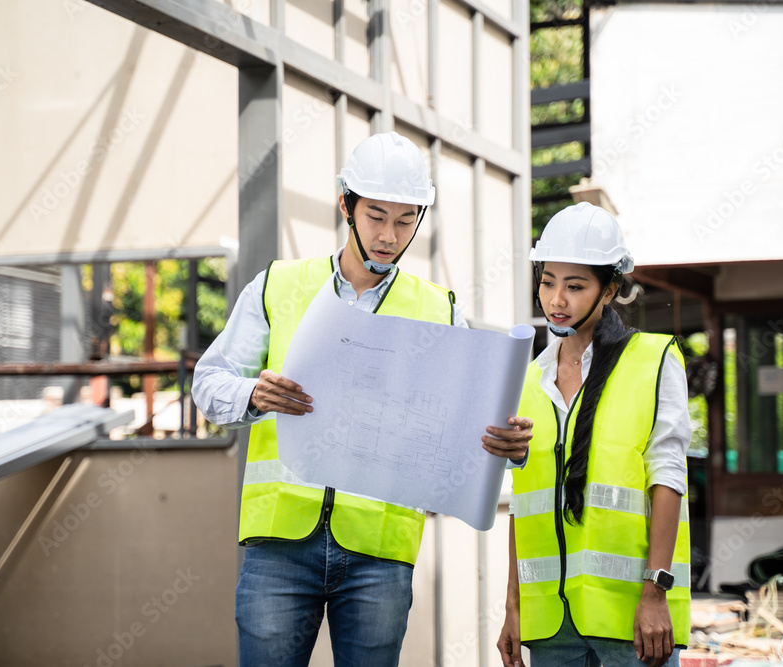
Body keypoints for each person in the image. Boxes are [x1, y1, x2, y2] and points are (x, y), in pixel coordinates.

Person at [193, 131, 532, 666]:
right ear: (345, 204)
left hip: (379, 553)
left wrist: (505, 443)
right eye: (376, 216)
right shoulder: (278, 286)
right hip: (280, 543)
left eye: (405, 220)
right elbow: (208, 384)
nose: (389, 235)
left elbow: (468, 424)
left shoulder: (438, 309)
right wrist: (255, 393)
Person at [496, 202, 691, 667]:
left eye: (575, 286)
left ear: (610, 291)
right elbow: (525, 504)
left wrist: (655, 592)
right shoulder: (526, 381)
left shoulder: (654, 360)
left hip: (634, 624)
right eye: (547, 282)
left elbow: (668, 477)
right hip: (551, 629)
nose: (556, 300)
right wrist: (513, 606)